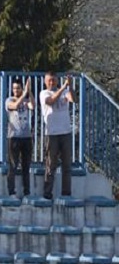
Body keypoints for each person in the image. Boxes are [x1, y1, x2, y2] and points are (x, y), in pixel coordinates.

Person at [40, 71, 74, 199]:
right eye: (49, 80)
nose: (51, 82)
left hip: (65, 132)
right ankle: (47, 193)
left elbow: (73, 99)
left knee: (67, 166)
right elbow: (50, 101)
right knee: (51, 165)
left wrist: (69, 86)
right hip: (52, 134)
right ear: (45, 81)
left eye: (53, 80)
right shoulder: (44, 93)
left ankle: (66, 193)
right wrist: (63, 88)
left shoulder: (64, 91)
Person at [5, 76, 34, 197]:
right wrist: (24, 94)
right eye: (14, 88)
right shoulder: (9, 100)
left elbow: (33, 105)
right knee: (13, 165)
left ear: (22, 88)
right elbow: (15, 106)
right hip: (14, 137)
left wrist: (30, 91)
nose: (15, 90)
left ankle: (27, 192)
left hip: (26, 137)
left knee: (26, 166)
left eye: (18, 88)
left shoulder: (26, 100)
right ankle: (11, 192)